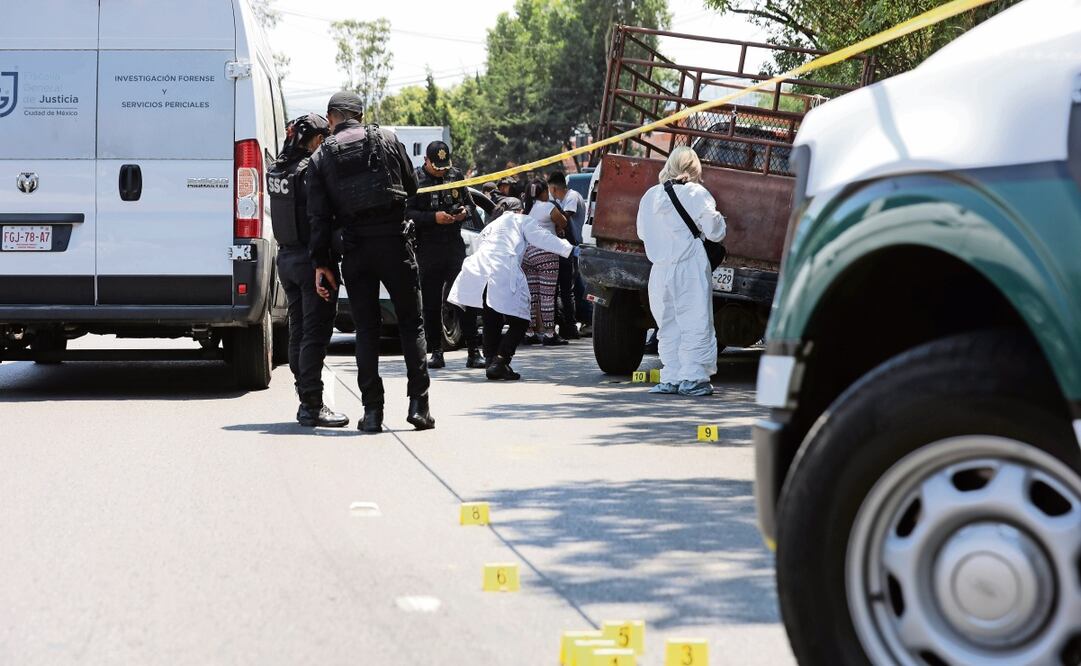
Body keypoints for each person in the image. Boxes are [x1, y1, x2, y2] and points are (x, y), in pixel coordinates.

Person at [307, 91, 435, 432]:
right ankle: (419, 406)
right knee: (412, 325)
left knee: (366, 331)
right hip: (395, 243)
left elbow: (318, 218)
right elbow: (411, 187)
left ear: (331, 117)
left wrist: (322, 263)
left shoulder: (321, 156)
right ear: (360, 115)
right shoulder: (389, 139)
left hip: (356, 250)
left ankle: (373, 412)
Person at [267, 113, 349, 428]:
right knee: (314, 334)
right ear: (315, 139)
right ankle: (312, 404)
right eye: (324, 137)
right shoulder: (309, 170)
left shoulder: (277, 169)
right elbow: (318, 218)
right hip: (310, 261)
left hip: (286, 259)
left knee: (299, 330)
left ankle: (305, 396)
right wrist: (322, 262)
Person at [636, 147, 727, 397]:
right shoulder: (697, 193)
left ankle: (672, 376)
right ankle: (694, 377)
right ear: (694, 167)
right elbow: (716, 231)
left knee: (668, 324)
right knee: (695, 321)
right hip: (689, 267)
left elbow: (642, 234)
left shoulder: (650, 196)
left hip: (660, 270)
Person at [447, 211, 575, 380]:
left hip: (479, 270)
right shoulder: (521, 220)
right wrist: (569, 248)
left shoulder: (491, 226)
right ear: (519, 210)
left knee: (491, 319)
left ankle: (491, 362)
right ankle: (500, 361)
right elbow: (542, 237)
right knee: (521, 320)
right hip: (502, 269)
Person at [405, 141, 485, 371]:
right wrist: (433, 218)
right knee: (430, 303)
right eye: (436, 166)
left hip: (453, 245)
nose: (441, 171)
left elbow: (470, 206)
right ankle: (436, 352)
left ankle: (473, 351)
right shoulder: (415, 179)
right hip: (428, 248)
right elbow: (407, 211)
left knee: (465, 296)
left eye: (444, 166)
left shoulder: (456, 175)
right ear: (426, 161)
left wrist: (462, 214)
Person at [519, 180, 570, 346]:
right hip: (546, 254)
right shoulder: (548, 207)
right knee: (547, 295)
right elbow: (563, 222)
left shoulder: (525, 210)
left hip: (527, 254)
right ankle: (549, 333)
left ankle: (530, 331)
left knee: (532, 295)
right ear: (542, 193)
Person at [547, 171, 589, 339]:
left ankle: (584, 321)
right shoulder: (564, 198)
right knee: (576, 286)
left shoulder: (571, 197)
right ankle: (585, 320)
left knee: (572, 288)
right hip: (571, 247)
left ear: (554, 188)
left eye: (550, 189)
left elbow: (564, 218)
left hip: (572, 246)